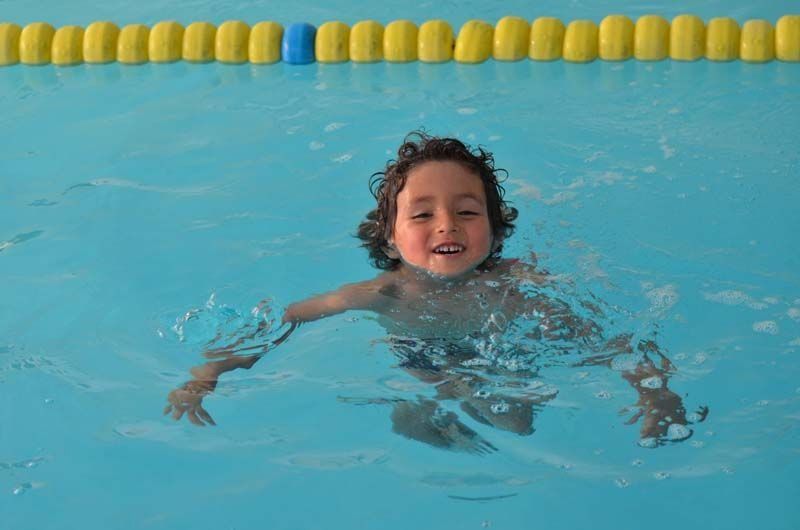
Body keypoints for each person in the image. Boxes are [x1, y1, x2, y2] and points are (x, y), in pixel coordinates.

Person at [165, 131, 706, 450]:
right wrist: (206, 373)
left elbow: (605, 336)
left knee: (517, 422)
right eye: (423, 215)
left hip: (502, 349)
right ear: (391, 238)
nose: (447, 225)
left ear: (493, 229)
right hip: (422, 355)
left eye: (467, 212)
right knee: (411, 423)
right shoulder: (383, 293)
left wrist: (654, 389)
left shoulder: (517, 284)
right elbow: (286, 320)